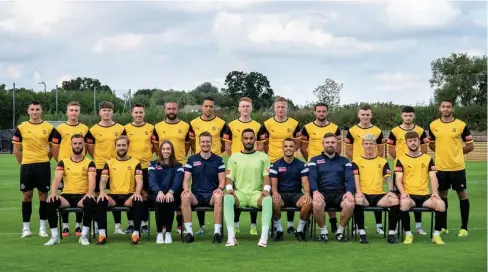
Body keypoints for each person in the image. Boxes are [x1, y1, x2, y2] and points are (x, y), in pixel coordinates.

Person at [429, 100, 474, 237]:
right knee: (442, 196)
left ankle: (464, 228)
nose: (446, 109)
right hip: (441, 167)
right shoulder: (433, 125)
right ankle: (443, 227)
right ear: (439, 108)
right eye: (443, 106)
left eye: (448, 106)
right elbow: (431, 144)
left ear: (452, 109)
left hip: (457, 167)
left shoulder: (461, 125)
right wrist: (441, 154)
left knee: (462, 194)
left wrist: (457, 154)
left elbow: (470, 146)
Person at [12, 100, 57, 238]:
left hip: (43, 165)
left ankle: (42, 228)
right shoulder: (21, 127)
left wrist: (44, 159)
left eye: (37, 109)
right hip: (27, 166)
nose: (35, 112)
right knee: (27, 195)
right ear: (28, 111)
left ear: (41, 111)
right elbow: (16, 149)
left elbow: (53, 148)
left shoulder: (49, 127)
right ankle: (26, 228)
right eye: (32, 109)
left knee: (43, 195)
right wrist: (24, 163)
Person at [257, 96, 301, 234]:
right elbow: (262, 145)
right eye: (278, 107)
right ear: (274, 108)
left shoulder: (294, 124)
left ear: (286, 108)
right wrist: (270, 159)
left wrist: (291, 153)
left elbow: (298, 142)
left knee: (292, 190)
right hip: (272, 162)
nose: (280, 109)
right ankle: (274, 225)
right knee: (272, 193)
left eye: (283, 107)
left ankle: (289, 224)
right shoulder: (267, 124)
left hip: (290, 161)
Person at [44, 134, 97, 246]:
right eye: (75, 143)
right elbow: (57, 178)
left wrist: (89, 193)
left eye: (80, 143)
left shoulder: (89, 162)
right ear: (71, 144)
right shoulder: (63, 162)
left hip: (82, 196)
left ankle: (84, 236)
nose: (77, 146)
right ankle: (54, 236)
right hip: (67, 196)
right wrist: (53, 193)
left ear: (83, 145)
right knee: (50, 201)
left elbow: (92, 180)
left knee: (90, 201)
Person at [224, 128, 272, 247]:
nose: (248, 141)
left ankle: (263, 238)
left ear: (255, 139)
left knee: (268, 200)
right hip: (239, 194)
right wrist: (229, 189)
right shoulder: (233, 158)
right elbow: (229, 177)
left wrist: (266, 190)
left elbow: (266, 177)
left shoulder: (263, 157)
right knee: (227, 198)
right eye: (246, 138)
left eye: (251, 138)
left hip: (256, 194)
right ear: (242, 140)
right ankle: (231, 238)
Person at [395, 131, 446, 245]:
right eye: (410, 141)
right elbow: (398, 179)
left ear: (419, 141)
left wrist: (435, 192)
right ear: (406, 143)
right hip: (410, 195)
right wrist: (403, 192)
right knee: (404, 203)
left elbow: (433, 176)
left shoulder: (428, 159)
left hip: (424, 196)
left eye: (415, 140)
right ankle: (408, 234)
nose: (413, 143)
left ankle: (436, 235)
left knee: (441, 204)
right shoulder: (401, 159)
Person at [222, 97, 263, 235]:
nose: (245, 108)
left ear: (251, 108)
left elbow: (261, 146)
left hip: (253, 164)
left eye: (248, 106)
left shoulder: (258, 126)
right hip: (237, 165)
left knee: (255, 190)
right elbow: (227, 145)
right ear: (239, 108)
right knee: (234, 192)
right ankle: (236, 224)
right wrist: (235, 158)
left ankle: (253, 225)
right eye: (243, 106)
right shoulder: (231, 125)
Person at [85, 101, 126, 234]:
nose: (106, 113)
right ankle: (97, 225)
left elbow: (123, 145)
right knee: (98, 196)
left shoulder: (120, 128)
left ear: (112, 112)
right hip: (99, 167)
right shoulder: (93, 130)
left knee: (115, 194)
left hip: (116, 166)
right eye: (104, 110)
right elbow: (90, 149)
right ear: (99, 112)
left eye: (109, 110)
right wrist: (99, 160)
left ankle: (118, 226)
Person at [300, 103, 341, 233]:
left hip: (330, 163)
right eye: (319, 111)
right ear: (315, 112)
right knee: (313, 194)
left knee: (331, 190)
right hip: (314, 165)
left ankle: (333, 222)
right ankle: (307, 221)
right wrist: (311, 160)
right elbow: (303, 148)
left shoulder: (335, 128)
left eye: (324, 111)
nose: (321, 113)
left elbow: (338, 148)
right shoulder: (307, 128)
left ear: (327, 112)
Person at [387, 106, 429, 235]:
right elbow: (391, 150)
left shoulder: (421, 131)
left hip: (418, 168)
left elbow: (424, 149)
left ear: (414, 116)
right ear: (402, 116)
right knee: (400, 196)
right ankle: (400, 222)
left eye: (410, 115)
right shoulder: (394, 131)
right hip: (401, 169)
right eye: (406, 115)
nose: (408, 118)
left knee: (419, 194)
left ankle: (418, 226)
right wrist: (402, 161)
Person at [95, 135, 144, 245]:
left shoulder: (135, 162)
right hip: (114, 196)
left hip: (129, 196)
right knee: (100, 200)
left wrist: (137, 192)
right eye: (119, 145)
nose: (121, 148)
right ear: (115, 147)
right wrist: (102, 191)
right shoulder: (109, 163)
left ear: (128, 146)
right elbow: (103, 179)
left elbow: (139, 180)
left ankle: (135, 234)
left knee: (138, 200)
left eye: (123, 145)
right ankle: (102, 234)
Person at [189, 97, 227, 235]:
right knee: (198, 188)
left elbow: (224, 142)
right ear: (202, 107)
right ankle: (202, 226)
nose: (208, 108)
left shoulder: (221, 123)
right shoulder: (193, 123)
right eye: (206, 106)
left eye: (211, 106)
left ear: (214, 107)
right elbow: (192, 142)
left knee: (216, 192)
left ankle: (218, 227)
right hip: (199, 159)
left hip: (215, 161)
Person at [344, 104, 385, 235]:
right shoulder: (352, 130)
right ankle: (357, 225)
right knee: (358, 195)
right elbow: (348, 150)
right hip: (358, 167)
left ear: (371, 115)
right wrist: (357, 161)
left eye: (367, 114)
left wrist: (373, 162)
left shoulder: (377, 131)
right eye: (363, 114)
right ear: (358, 115)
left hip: (373, 167)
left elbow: (380, 151)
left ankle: (379, 225)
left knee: (377, 191)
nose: (365, 117)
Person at [352, 134, 400, 244]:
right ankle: (362, 233)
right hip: (364, 194)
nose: (369, 146)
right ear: (363, 144)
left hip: (379, 195)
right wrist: (358, 192)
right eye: (367, 144)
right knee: (358, 200)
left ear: (375, 145)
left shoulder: (382, 161)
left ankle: (391, 234)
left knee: (395, 200)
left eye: (371, 144)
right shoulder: (356, 161)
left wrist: (391, 191)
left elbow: (388, 177)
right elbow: (356, 178)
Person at [51, 101, 89, 237]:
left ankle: (79, 226)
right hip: (65, 167)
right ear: (67, 112)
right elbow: (54, 148)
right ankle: (65, 226)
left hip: (81, 166)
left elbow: (89, 147)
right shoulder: (60, 128)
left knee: (81, 192)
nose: (73, 113)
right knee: (64, 193)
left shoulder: (85, 128)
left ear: (79, 112)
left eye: (76, 110)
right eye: (71, 110)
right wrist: (61, 161)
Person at [152, 101, 191, 234]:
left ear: (177, 109)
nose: (171, 111)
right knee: (164, 195)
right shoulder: (157, 127)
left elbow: (187, 145)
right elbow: (156, 146)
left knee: (179, 196)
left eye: (174, 108)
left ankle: (179, 225)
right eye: (169, 109)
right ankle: (163, 226)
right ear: (165, 110)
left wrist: (178, 157)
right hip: (163, 166)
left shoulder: (185, 126)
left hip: (180, 166)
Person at [309, 133, 355, 242]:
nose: (330, 145)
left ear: (337, 144)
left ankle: (340, 231)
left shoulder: (344, 161)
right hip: (322, 192)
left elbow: (349, 178)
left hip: (340, 193)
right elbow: (312, 177)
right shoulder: (314, 160)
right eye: (327, 142)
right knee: (316, 203)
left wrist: (349, 192)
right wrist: (315, 191)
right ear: (323, 144)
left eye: (333, 142)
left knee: (350, 203)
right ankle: (323, 232)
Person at [181, 132, 225, 243]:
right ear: (199, 143)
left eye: (207, 142)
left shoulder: (218, 160)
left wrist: (219, 188)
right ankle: (189, 233)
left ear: (211, 143)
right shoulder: (191, 159)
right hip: (196, 195)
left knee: (219, 197)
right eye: (203, 142)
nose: (205, 144)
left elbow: (222, 180)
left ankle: (217, 233)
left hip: (211, 195)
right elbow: (186, 179)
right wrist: (186, 189)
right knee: (185, 197)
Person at [270, 138, 312, 242]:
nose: (288, 148)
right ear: (282, 148)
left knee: (307, 203)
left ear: (295, 148)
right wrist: (274, 193)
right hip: (281, 195)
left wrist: (307, 193)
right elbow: (273, 183)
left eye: (291, 146)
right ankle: (279, 231)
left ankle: (300, 231)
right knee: (274, 202)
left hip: (296, 195)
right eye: (286, 146)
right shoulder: (275, 165)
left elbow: (305, 182)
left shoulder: (302, 165)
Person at [124, 104, 154, 234]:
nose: (138, 115)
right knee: (130, 194)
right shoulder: (126, 128)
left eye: (141, 112)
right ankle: (131, 224)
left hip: (146, 167)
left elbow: (155, 145)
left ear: (144, 113)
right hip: (130, 167)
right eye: (136, 113)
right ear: (132, 114)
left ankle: (144, 224)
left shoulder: (151, 128)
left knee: (145, 195)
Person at [148, 140, 184, 244]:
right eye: (163, 149)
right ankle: (159, 233)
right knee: (159, 200)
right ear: (160, 151)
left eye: (168, 149)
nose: (165, 151)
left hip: (172, 194)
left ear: (172, 151)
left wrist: (171, 191)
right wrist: (159, 191)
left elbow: (178, 180)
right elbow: (152, 180)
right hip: (157, 194)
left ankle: (168, 232)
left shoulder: (178, 165)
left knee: (169, 200)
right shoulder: (153, 164)